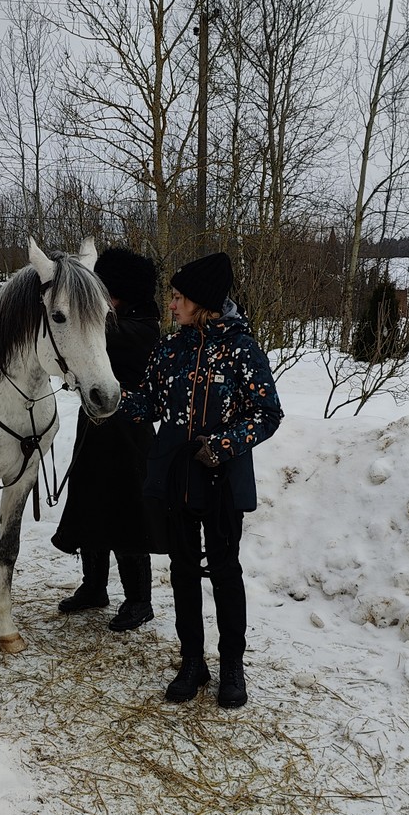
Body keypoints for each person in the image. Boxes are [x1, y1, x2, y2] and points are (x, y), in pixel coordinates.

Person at [119, 251, 283, 708]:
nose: (170, 305)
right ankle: (192, 661)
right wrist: (111, 399)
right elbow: (148, 404)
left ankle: (233, 663)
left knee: (226, 572)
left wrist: (223, 445)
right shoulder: (171, 348)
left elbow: (267, 414)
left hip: (221, 481)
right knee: (184, 572)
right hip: (176, 479)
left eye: (177, 298)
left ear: (201, 302)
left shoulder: (241, 349)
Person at [52, 247, 160, 631]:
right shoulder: (116, 321)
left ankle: (139, 599)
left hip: (129, 433)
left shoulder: (143, 327)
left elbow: (91, 332)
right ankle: (94, 586)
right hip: (95, 426)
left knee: (127, 511)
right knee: (89, 503)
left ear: (121, 293)